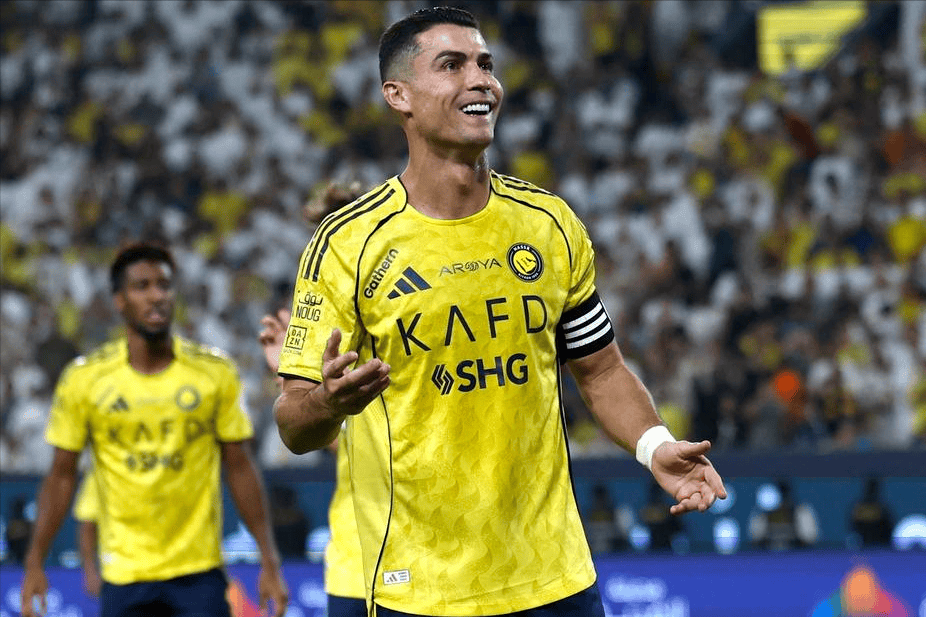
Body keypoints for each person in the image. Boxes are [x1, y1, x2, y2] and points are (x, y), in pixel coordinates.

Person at [273, 7, 726, 615]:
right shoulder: (347, 245)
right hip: (422, 589)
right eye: (451, 65)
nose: (480, 80)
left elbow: (600, 370)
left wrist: (654, 445)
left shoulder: (549, 224)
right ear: (398, 95)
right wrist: (328, 404)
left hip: (556, 579)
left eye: (485, 64)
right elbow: (292, 419)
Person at [20, 242, 289, 617]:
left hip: (199, 571)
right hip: (124, 574)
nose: (156, 296)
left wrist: (269, 560)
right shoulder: (85, 380)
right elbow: (61, 476)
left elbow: (240, 467)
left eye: (164, 285)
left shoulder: (215, 373)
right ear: (119, 300)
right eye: (142, 286)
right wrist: (35, 561)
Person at [259, 181, 369, 617]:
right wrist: (294, 383)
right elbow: (349, 444)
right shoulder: (322, 336)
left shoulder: (406, 326)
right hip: (356, 564)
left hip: (425, 560)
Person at [73, 467, 102, 597]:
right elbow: (88, 524)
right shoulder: (101, 473)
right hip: (118, 569)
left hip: (163, 567)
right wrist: (90, 570)